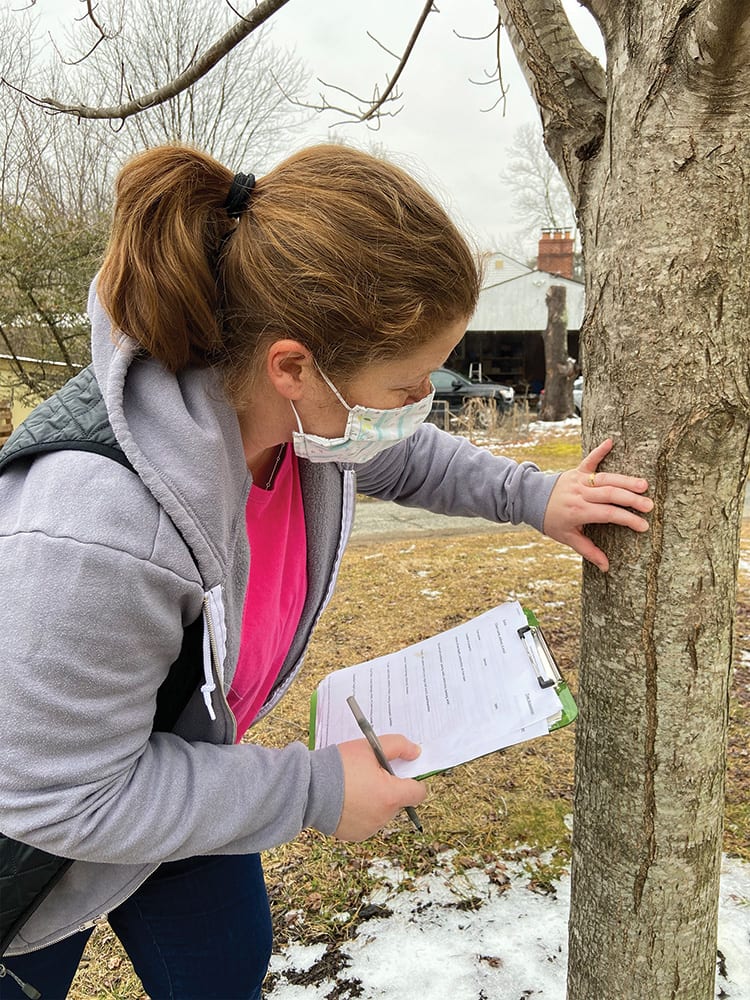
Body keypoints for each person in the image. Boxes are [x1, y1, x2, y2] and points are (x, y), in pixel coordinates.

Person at [0, 143, 653, 1000]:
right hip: (34, 842)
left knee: (225, 964)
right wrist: (313, 789)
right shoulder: (97, 532)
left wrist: (536, 497)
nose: (419, 404)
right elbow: (59, 800)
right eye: (404, 383)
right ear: (294, 367)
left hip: (181, 764)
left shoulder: (295, 425)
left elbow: (403, 457)